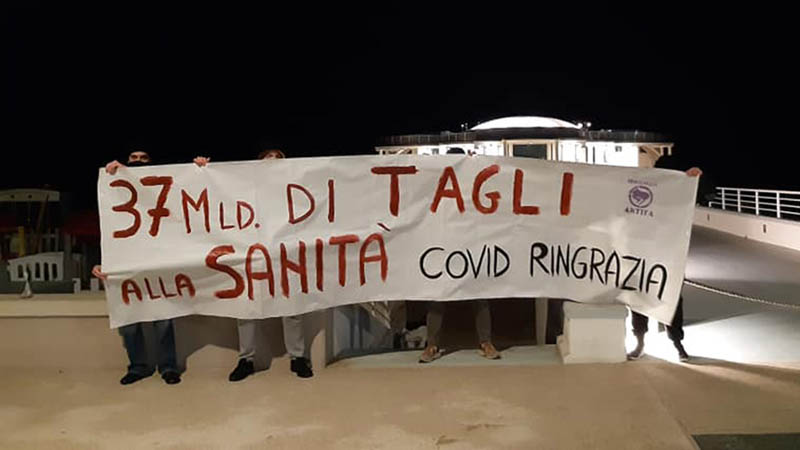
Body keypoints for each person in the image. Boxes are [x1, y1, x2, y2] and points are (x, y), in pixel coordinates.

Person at [194, 149, 313, 380]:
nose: (272, 166)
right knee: (246, 308)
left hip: (283, 255)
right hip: (251, 255)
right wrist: (203, 171)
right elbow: (217, 191)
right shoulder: (244, 188)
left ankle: (298, 357)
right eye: (267, 162)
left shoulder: (293, 190)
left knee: (292, 308)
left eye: (277, 162)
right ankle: (246, 359)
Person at [94, 150, 181, 385]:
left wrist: (200, 168)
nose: (139, 161)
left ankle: (168, 367)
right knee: (129, 322)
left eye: (143, 157)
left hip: (157, 266)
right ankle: (138, 367)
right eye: (134, 157)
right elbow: (108, 228)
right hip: (127, 267)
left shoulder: (165, 190)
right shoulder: (115, 191)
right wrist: (102, 261)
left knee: (164, 320)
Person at [418, 147, 501, 363]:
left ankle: (485, 342)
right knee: (437, 297)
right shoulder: (438, 186)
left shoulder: (473, 187)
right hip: (443, 248)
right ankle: (432, 345)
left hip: (469, 248)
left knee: (480, 296)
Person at [627, 165, 703, 363]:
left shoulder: (670, 208)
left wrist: (689, 180)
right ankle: (640, 344)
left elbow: (685, 201)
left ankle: (677, 343)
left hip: (667, 262)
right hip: (640, 262)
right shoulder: (634, 213)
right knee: (638, 302)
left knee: (672, 302)